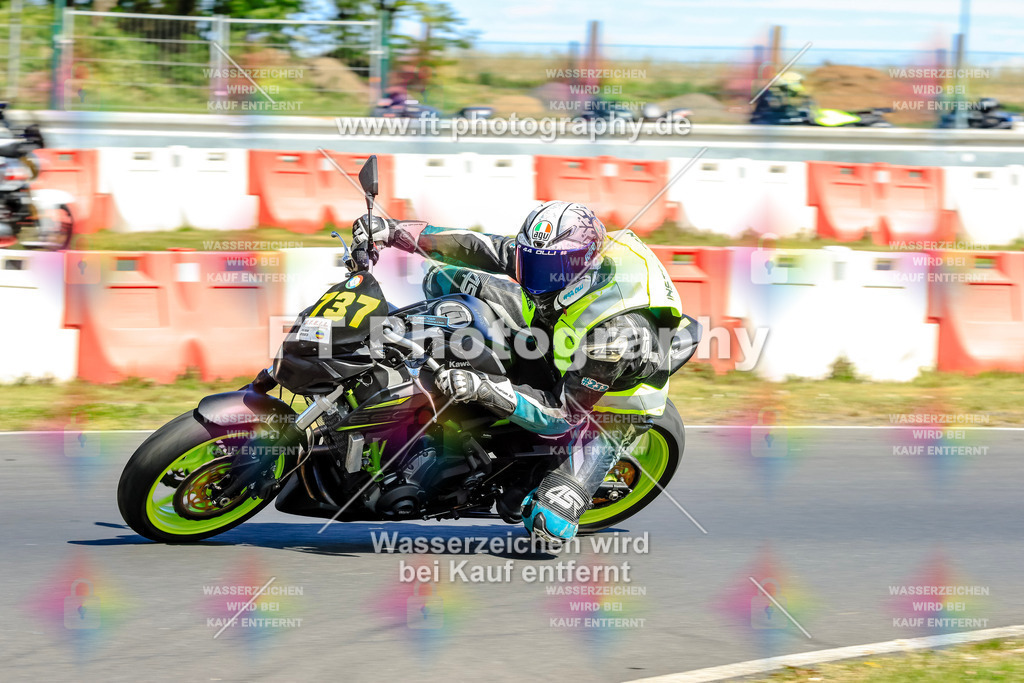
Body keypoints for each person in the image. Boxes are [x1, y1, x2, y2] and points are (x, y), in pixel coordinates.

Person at [353, 201, 695, 543]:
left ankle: (551, 474)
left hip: (603, 410)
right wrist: (393, 231)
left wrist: (480, 386)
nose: (534, 276)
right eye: (530, 262)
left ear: (582, 268)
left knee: (547, 525)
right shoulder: (553, 262)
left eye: (549, 269)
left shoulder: (612, 338)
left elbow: (563, 414)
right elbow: (478, 247)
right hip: (558, 335)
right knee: (444, 278)